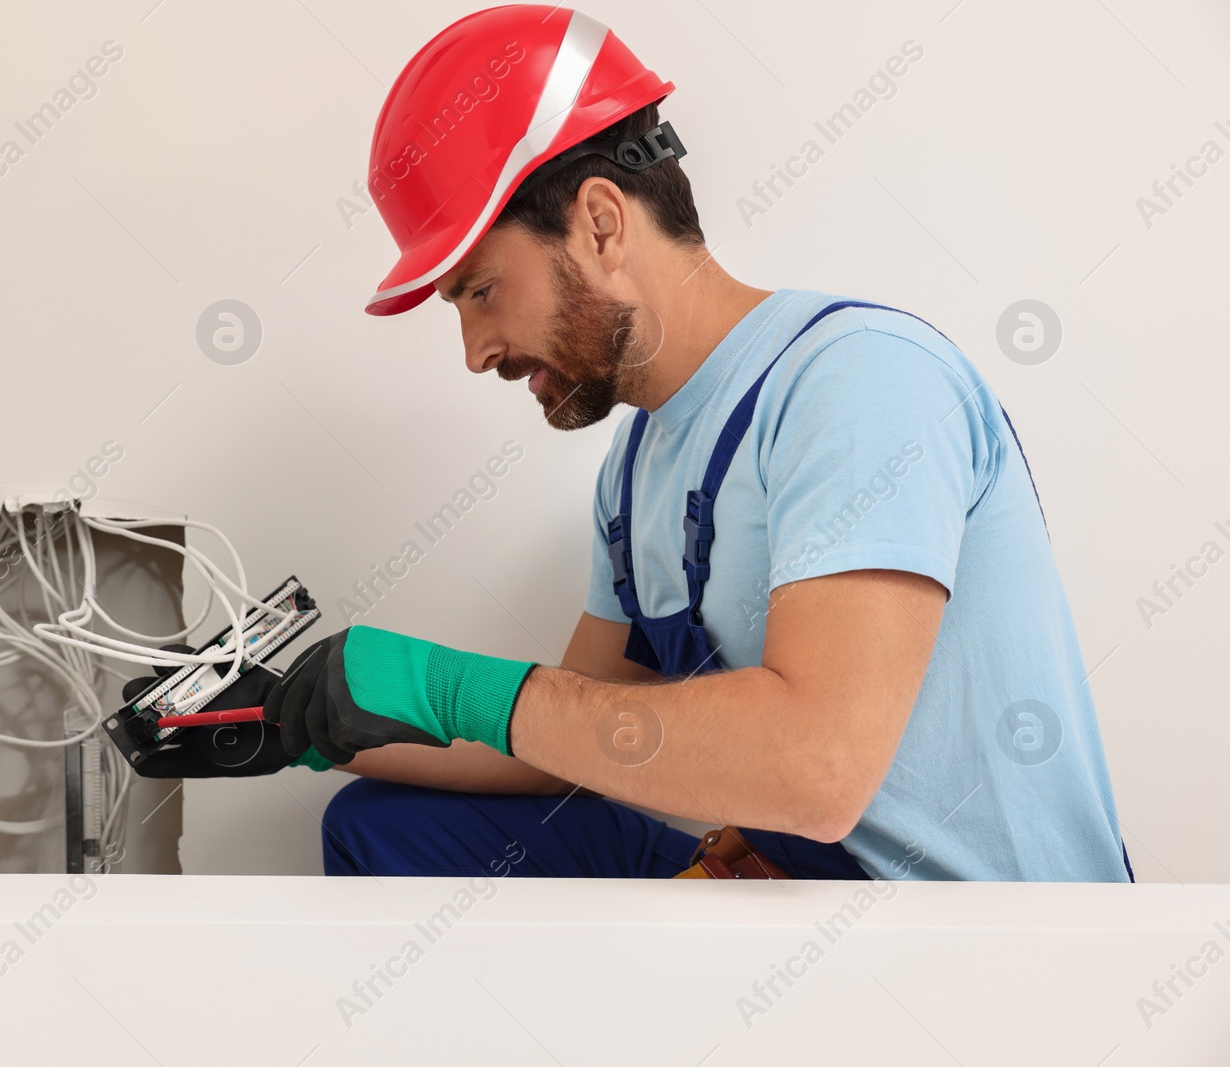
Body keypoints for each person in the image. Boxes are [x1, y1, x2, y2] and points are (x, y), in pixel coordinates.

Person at [149, 5, 1132, 882]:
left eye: (478, 289)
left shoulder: (857, 381)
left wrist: (451, 684)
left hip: (987, 953)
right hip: (814, 901)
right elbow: (559, 738)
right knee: (387, 827)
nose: (474, 348)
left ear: (603, 224)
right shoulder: (636, 475)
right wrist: (300, 722)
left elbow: (816, 768)